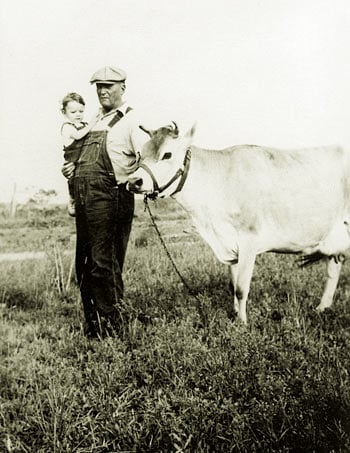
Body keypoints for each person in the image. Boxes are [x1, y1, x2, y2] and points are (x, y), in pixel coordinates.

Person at [62, 66, 147, 339]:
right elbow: (79, 157)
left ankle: (114, 328)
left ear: (123, 87)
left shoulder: (132, 121)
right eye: (99, 86)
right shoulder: (93, 120)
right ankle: (93, 327)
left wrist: (137, 178)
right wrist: (70, 170)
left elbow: (146, 158)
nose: (103, 91)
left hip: (113, 199)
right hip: (87, 200)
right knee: (83, 266)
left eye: (109, 86)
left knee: (104, 265)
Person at [60, 92, 101, 216]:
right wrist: (93, 123)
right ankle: (72, 199)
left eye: (81, 111)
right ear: (64, 112)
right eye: (73, 112)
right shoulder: (67, 127)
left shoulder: (84, 125)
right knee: (73, 180)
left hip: (84, 158)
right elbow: (79, 135)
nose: (78, 115)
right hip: (73, 158)